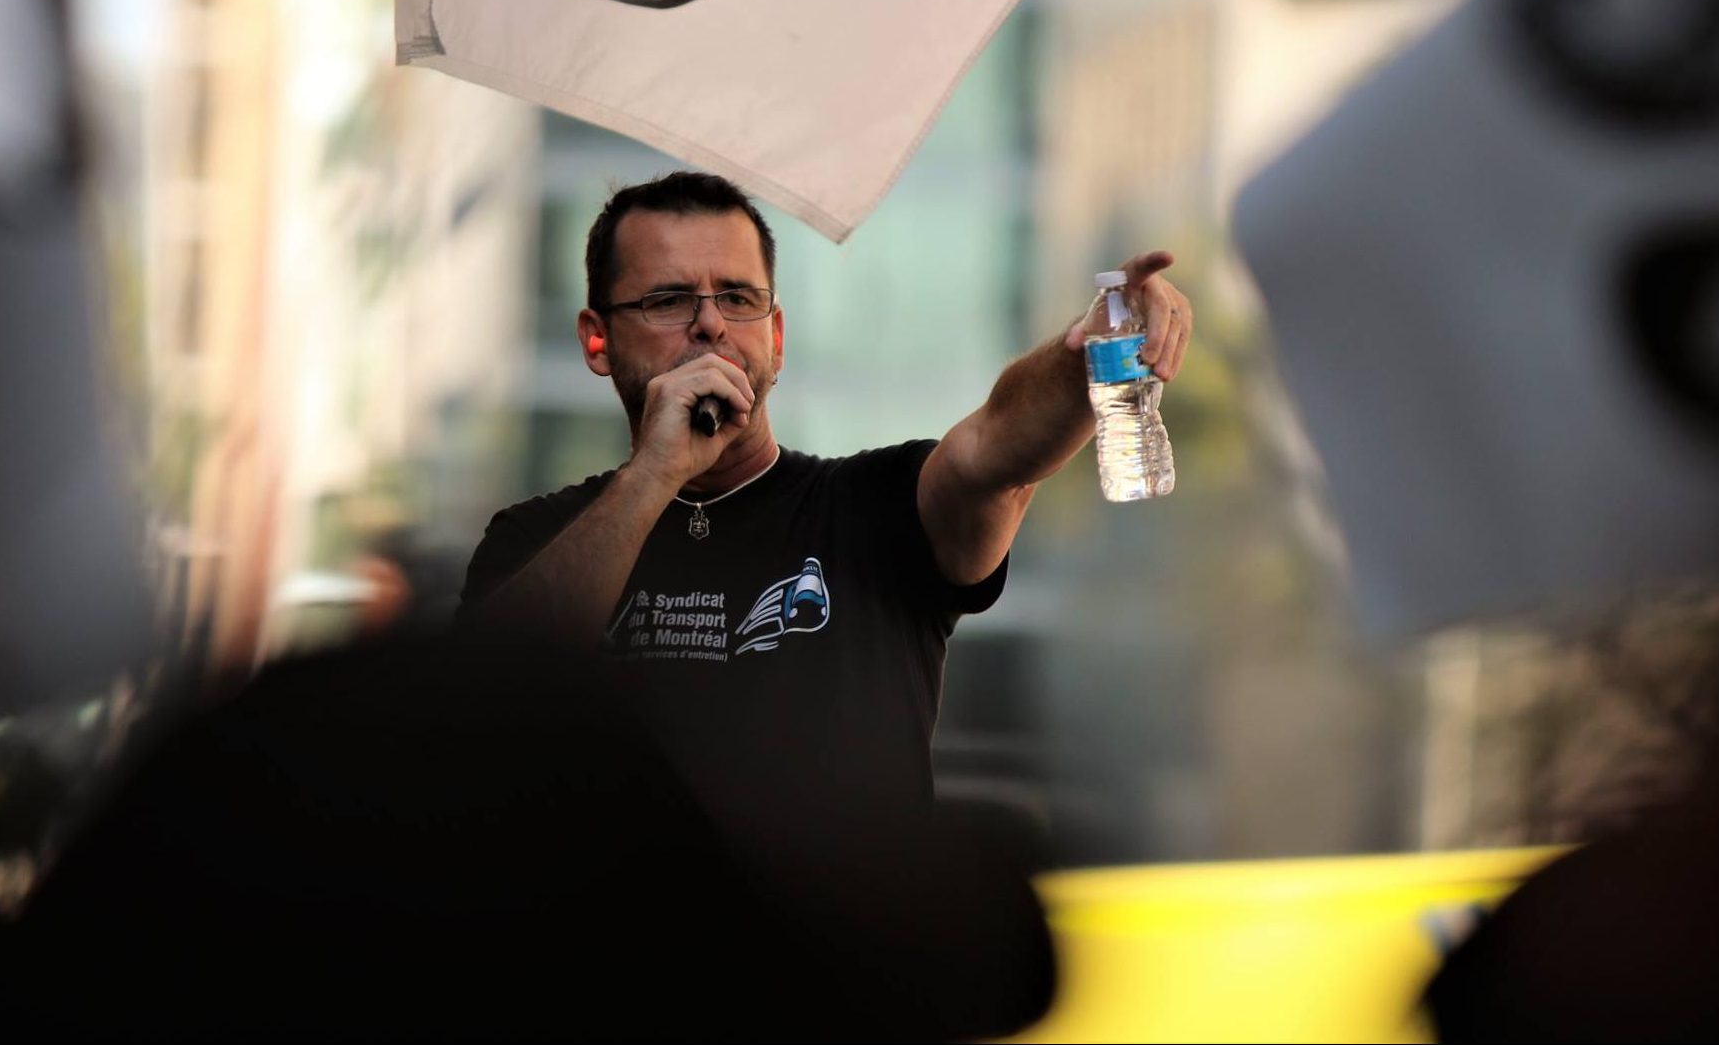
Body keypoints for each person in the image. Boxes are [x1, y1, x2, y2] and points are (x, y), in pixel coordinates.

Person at [457, 170, 1191, 854]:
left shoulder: (873, 507)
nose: (710, 324)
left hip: (841, 985)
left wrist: (1086, 347)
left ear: (775, 339)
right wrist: (657, 472)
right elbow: (484, 700)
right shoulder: (535, 538)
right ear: (596, 338)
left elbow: (996, 450)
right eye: (667, 300)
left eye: (738, 298)